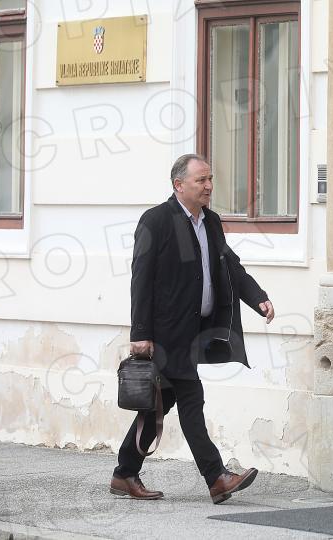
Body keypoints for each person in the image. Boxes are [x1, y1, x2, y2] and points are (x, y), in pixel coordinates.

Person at [109, 154, 275, 504]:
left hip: (196, 330)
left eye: (210, 179)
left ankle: (124, 473)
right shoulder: (157, 221)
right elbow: (141, 279)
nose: (209, 186)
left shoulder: (210, 222)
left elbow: (231, 267)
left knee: (160, 404)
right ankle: (217, 477)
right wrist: (140, 333)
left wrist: (258, 298)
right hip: (165, 334)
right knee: (190, 399)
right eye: (201, 180)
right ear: (179, 185)